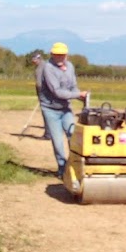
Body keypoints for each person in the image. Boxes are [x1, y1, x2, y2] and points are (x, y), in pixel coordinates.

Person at [37, 42, 88, 178]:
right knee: (57, 140)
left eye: (62, 55)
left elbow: (73, 87)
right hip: (50, 109)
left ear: (66, 55)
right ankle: (62, 168)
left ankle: (75, 165)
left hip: (66, 108)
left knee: (73, 135)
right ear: (52, 54)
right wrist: (78, 94)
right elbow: (57, 92)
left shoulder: (70, 66)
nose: (59, 57)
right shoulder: (48, 68)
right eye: (57, 54)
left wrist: (81, 97)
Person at [31, 53, 52, 140]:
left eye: (34, 60)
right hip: (47, 93)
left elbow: (40, 83)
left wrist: (41, 95)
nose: (33, 62)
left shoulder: (42, 67)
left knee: (47, 112)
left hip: (44, 93)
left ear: (38, 59)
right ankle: (50, 131)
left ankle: (48, 134)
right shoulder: (45, 65)